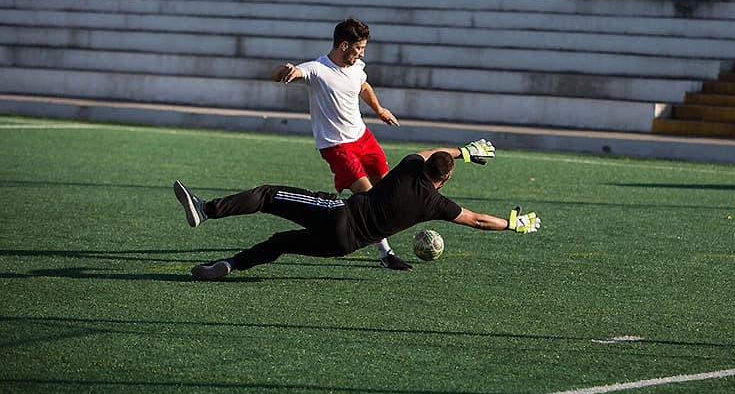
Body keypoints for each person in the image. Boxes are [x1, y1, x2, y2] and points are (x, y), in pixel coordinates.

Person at [173, 139, 541, 280]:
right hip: (345, 244)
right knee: (281, 242)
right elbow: (476, 220)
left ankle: (206, 210)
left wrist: (464, 150)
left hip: (337, 213)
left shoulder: (410, 166)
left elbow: (431, 154)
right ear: (445, 180)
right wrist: (512, 224)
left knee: (269, 194)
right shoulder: (436, 203)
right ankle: (228, 266)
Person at [271, 18, 408, 269]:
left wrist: (379, 110)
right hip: (337, 147)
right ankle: (385, 253)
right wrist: (285, 69)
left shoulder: (356, 67)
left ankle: (368, 228)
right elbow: (286, 74)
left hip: (363, 138)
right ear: (344, 45)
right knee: (367, 199)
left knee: (387, 190)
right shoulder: (317, 68)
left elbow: (363, 85)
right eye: (358, 49)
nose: (361, 54)